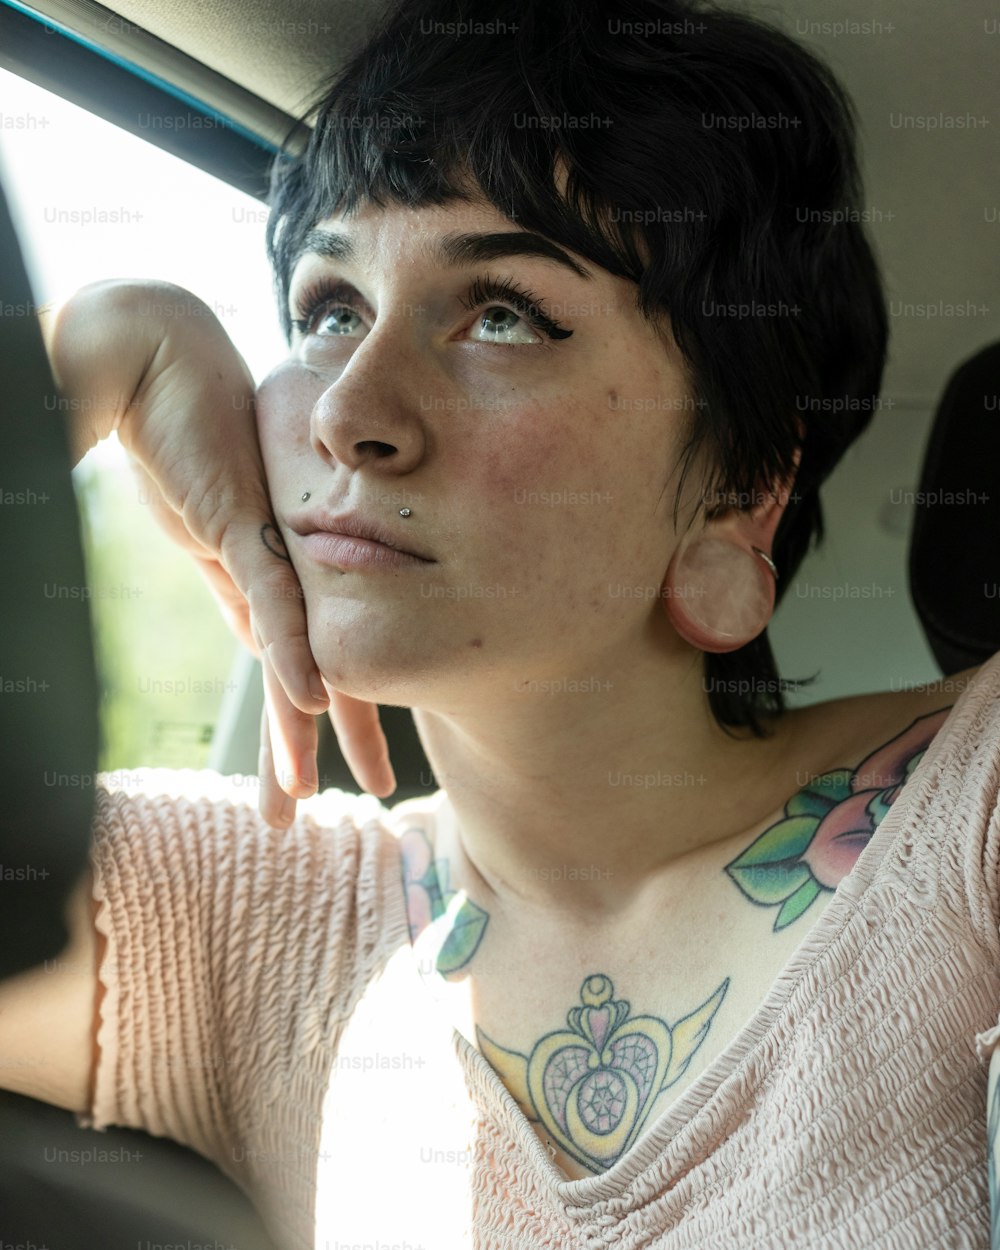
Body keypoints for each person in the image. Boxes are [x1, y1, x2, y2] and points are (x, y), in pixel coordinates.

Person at [3, 0, 1000, 1245]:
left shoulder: (974, 808)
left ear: (740, 493)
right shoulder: (247, 916)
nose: (349, 410)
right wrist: (87, 355)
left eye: (502, 316)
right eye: (327, 308)